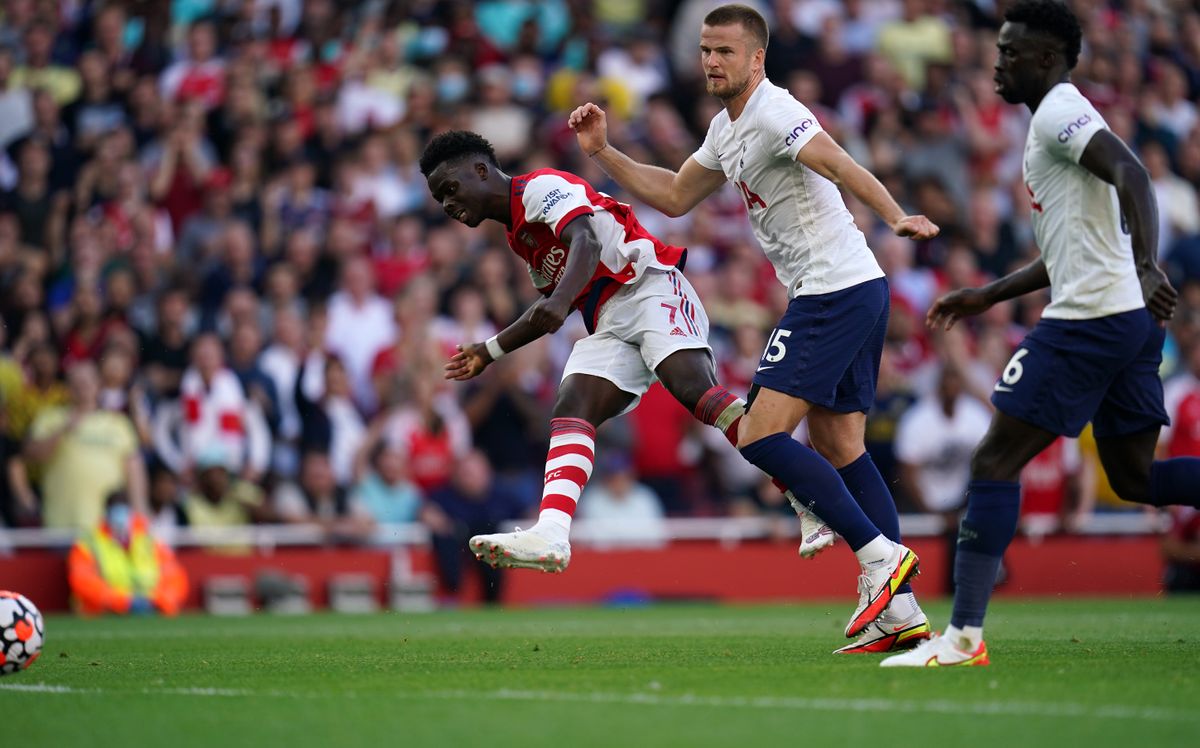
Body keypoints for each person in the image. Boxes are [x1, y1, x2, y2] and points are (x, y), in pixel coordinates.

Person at [566, 4, 937, 651]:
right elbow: (678, 195)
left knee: (760, 434)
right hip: (849, 288)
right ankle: (899, 610)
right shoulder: (725, 127)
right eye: (707, 50)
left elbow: (840, 164)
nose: (711, 61)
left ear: (756, 58)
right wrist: (604, 153)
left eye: (725, 52)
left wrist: (895, 213)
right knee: (841, 443)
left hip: (834, 290)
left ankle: (880, 557)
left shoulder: (776, 111)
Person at [883, 0, 1200, 667]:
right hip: (1128, 322)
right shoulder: (1049, 126)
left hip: (1092, 318)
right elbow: (1068, 249)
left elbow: (1132, 172)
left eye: (1011, 52)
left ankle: (963, 637)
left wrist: (1147, 266)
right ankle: (963, 634)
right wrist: (986, 294)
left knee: (993, 462)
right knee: (1136, 478)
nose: (997, 62)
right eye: (997, 49)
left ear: (1048, 59)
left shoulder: (1059, 110)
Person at [67, 491, 188, 616]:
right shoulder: (88, 543)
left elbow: (174, 576)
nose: (120, 516)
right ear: (106, 513)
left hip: (150, 612)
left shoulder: (149, 539)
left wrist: (159, 601)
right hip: (104, 615)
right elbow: (84, 582)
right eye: (115, 509)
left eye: (123, 509)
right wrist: (123, 602)